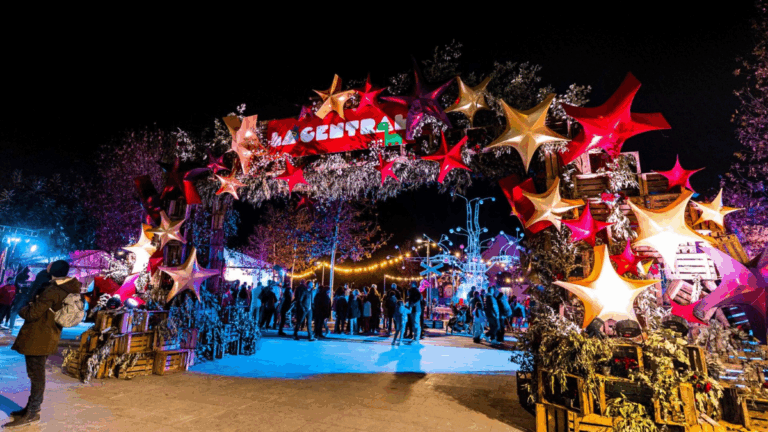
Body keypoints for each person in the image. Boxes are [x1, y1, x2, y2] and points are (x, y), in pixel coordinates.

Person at [7, 260, 79, 427]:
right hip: (47, 334)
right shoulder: (63, 288)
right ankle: (30, 409)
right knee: (35, 375)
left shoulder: (53, 290)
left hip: (40, 336)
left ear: (54, 269)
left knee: (37, 376)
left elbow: (33, 313)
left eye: (50, 266)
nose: (47, 267)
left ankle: (33, 412)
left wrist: (22, 309)